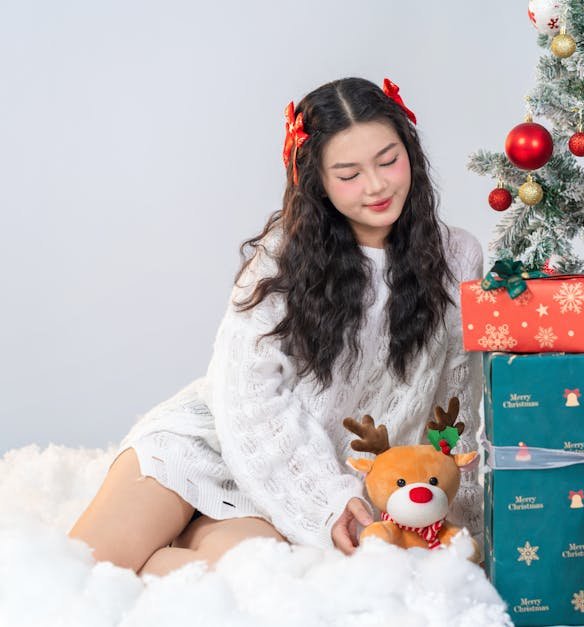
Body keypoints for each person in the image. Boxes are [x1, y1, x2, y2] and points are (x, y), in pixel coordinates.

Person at [68, 76, 484, 577]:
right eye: (348, 174)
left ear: (410, 152)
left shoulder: (457, 257)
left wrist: (453, 514)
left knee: (258, 587)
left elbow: (455, 405)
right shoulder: (283, 256)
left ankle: (173, 550)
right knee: (80, 573)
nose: (376, 186)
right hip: (217, 441)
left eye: (388, 160)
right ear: (319, 184)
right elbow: (246, 394)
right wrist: (327, 500)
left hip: (309, 482)